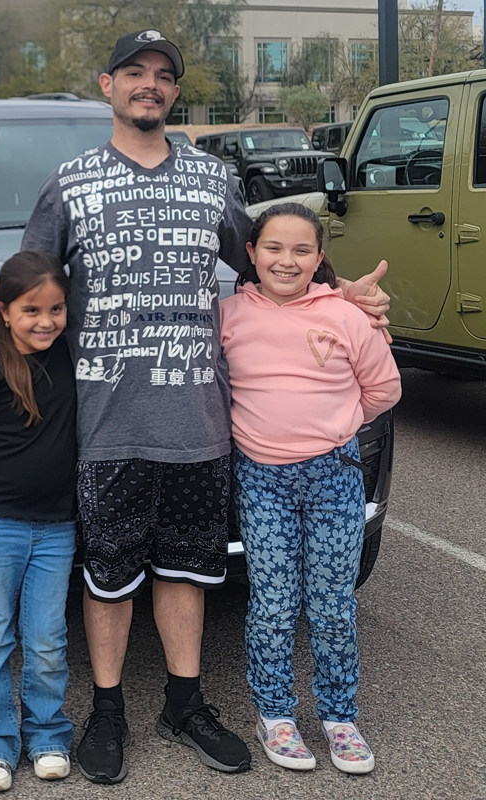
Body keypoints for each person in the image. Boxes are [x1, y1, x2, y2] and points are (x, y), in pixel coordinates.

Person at [0, 30, 392, 785]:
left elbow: (273, 263)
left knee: (188, 569)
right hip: (109, 424)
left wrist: (342, 292)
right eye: (134, 73)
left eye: (162, 76)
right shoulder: (73, 182)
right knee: (110, 576)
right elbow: (26, 277)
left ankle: (183, 704)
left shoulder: (214, 182)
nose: (148, 85)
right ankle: (110, 710)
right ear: (108, 85)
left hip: (199, 425)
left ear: (174, 93)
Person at [220, 203, 401, 774]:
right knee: (273, 603)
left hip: (333, 478)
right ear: (250, 254)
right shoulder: (226, 317)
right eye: (273, 248)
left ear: (320, 259)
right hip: (261, 480)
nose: (286, 260)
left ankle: (339, 717)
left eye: (302, 250)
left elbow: (382, 390)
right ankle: (274, 714)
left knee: (332, 604)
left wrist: (334, 427)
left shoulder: (348, 318)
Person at [0, 251, 77, 792]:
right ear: (4, 311)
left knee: (47, 638)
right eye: (30, 310)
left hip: (57, 526)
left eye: (56, 308)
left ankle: (47, 734)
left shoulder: (71, 351)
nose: (45, 320)